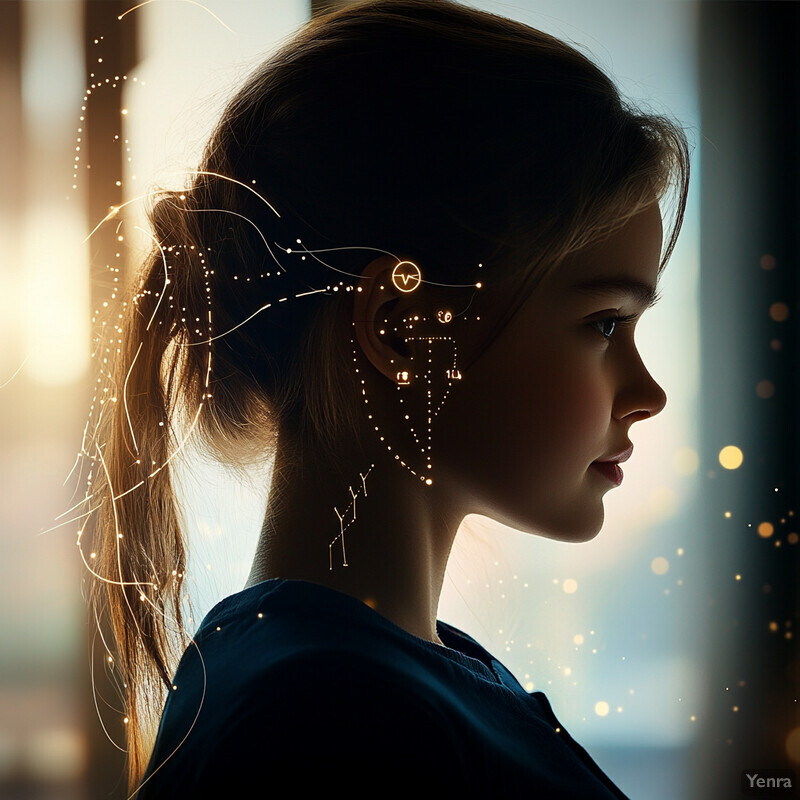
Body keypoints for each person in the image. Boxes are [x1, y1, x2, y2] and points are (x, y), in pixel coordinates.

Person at [81, 0, 690, 796]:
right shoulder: (336, 726)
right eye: (605, 323)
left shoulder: (370, 680)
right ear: (404, 330)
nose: (650, 394)